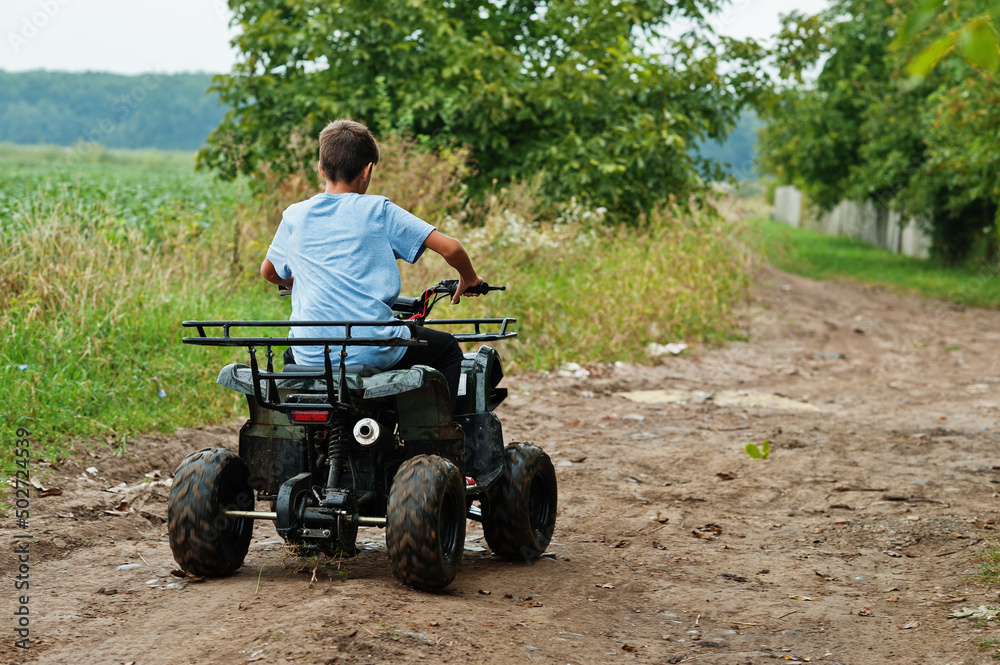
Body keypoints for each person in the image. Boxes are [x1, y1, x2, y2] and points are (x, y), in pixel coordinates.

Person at [260, 118, 482, 410]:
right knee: (449, 350)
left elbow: (269, 271)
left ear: (321, 169)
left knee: (292, 355)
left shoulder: (295, 215)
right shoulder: (378, 210)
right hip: (372, 349)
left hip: (309, 355)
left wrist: (295, 281)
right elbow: (451, 248)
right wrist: (469, 279)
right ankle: (437, 440)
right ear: (367, 171)